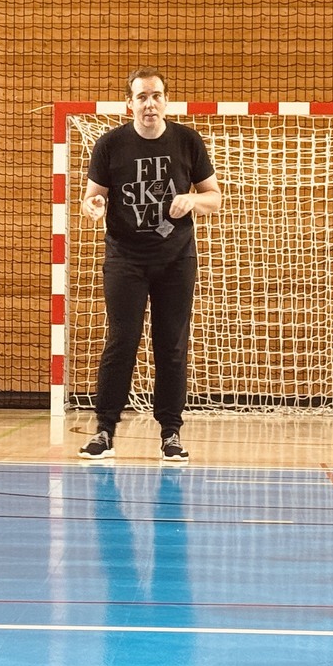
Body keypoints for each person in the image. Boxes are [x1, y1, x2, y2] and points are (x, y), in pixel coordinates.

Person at [78, 67, 220, 462]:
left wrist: (193, 200)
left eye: (156, 95)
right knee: (121, 341)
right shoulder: (110, 145)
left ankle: (171, 433)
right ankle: (104, 430)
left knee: (171, 345)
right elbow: (92, 197)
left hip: (176, 260)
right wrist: (93, 205)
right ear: (130, 104)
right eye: (141, 96)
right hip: (125, 259)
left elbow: (214, 197)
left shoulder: (187, 141)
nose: (150, 103)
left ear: (166, 101)